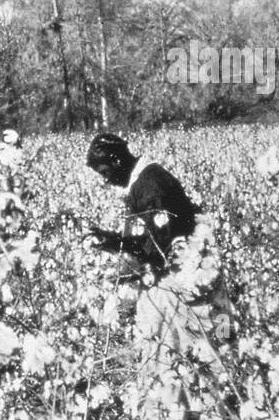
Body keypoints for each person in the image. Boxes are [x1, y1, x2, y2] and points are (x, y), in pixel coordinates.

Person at [84, 133, 232, 370]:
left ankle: (220, 387)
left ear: (116, 161)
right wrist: (114, 241)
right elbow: (147, 238)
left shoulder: (151, 186)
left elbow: (157, 251)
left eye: (104, 173)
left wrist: (119, 253)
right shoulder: (143, 182)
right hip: (186, 274)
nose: (106, 181)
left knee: (191, 351)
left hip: (185, 279)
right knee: (197, 344)